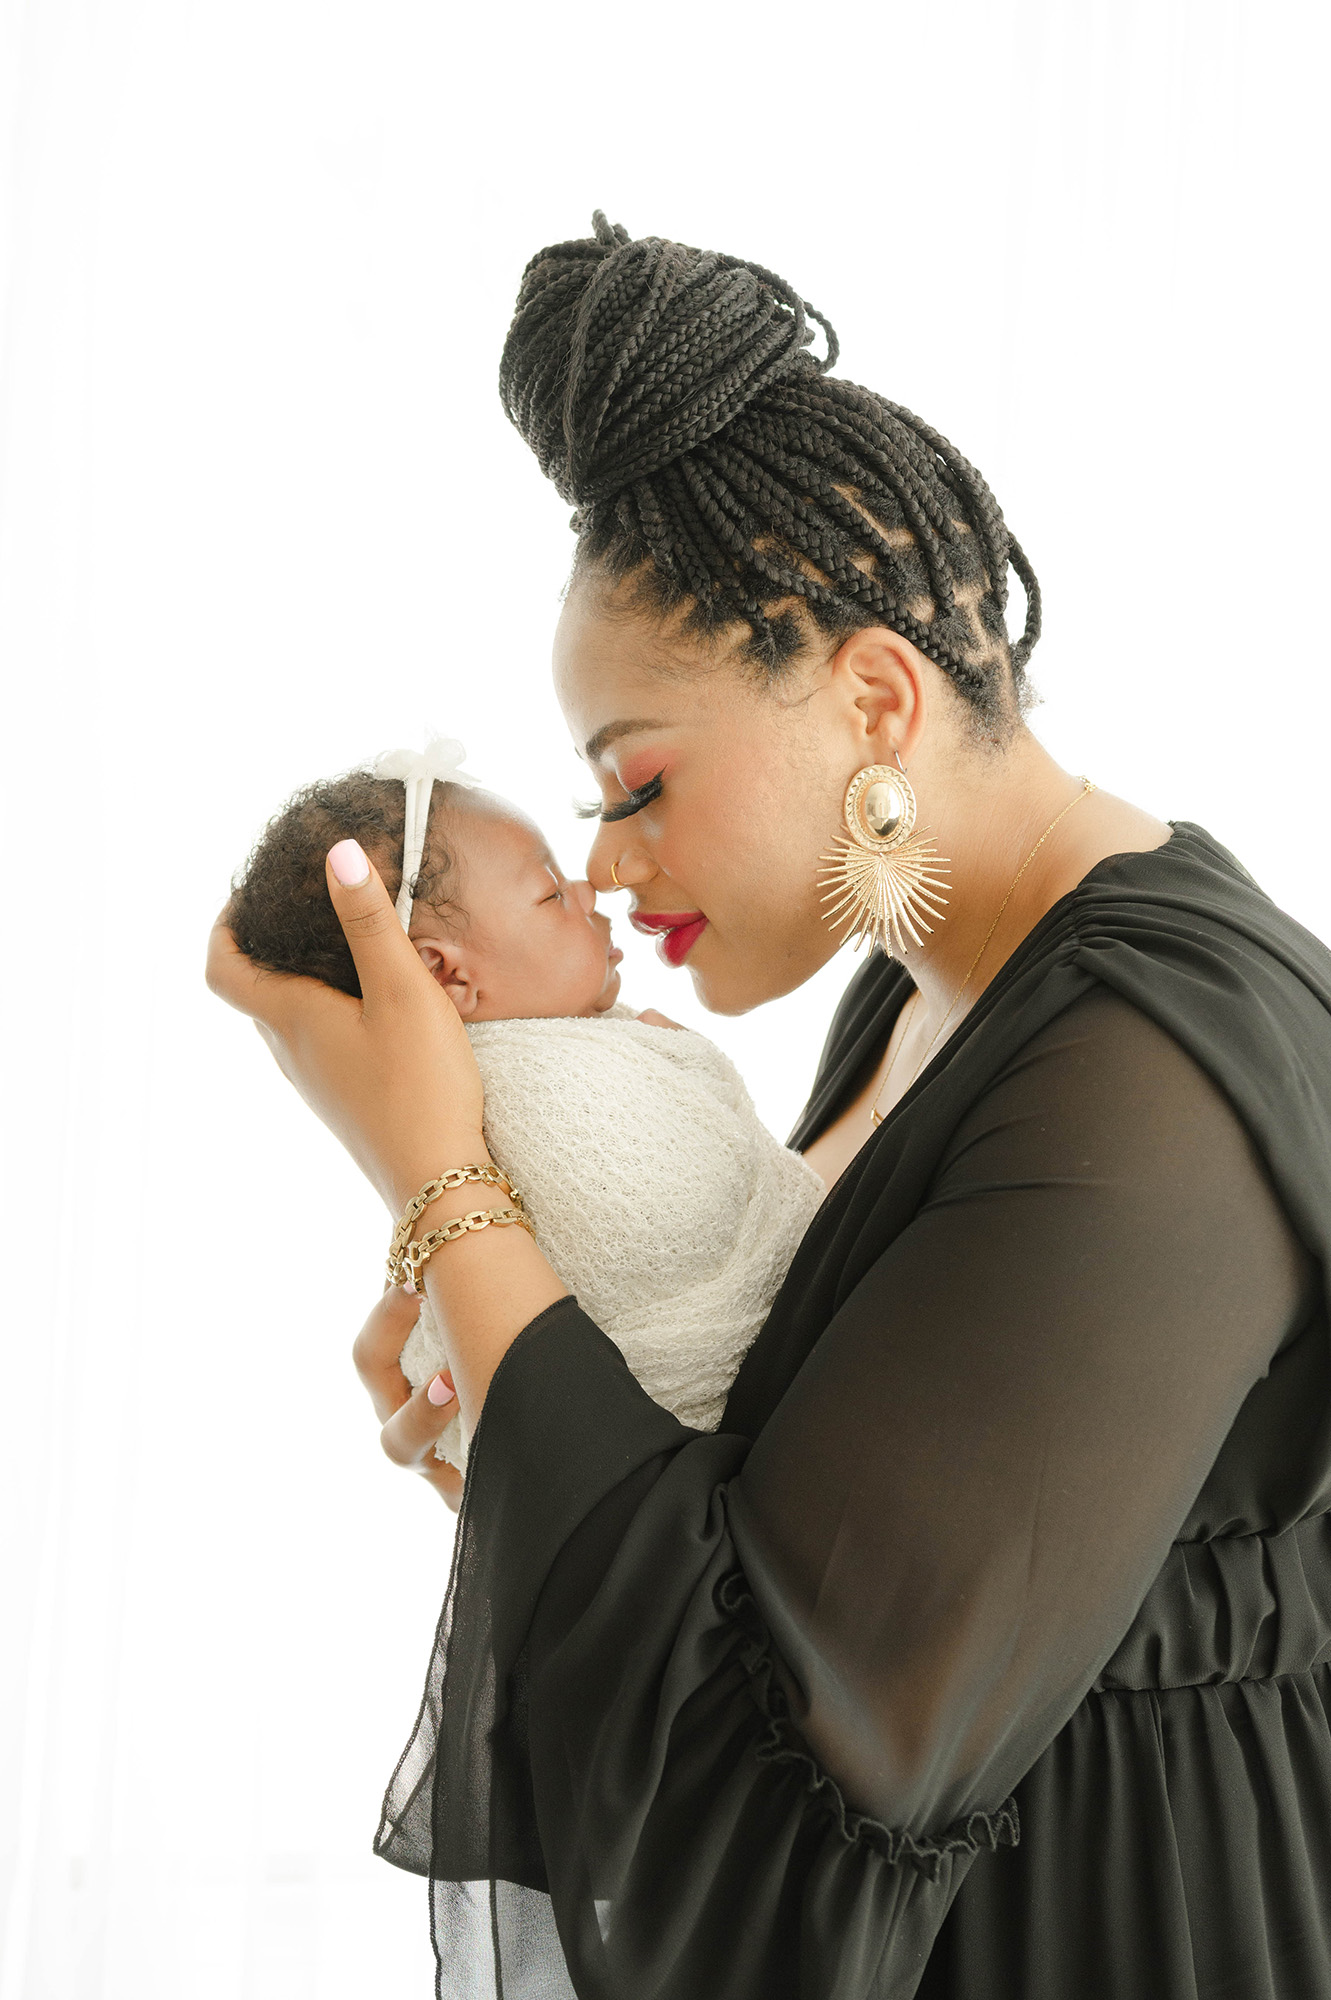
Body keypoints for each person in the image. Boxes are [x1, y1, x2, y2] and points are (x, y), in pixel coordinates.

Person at [206, 214, 1331, 1999]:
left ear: (874, 696)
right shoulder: (912, 984)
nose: (605, 863)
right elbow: (769, 1547)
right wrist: (496, 1394)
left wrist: (440, 1176)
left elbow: (773, 1775)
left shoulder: (1151, 1070)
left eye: (634, 782)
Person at [223, 737, 821, 1472]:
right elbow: (661, 1226)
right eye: (549, 892)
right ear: (446, 976)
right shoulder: (533, 1098)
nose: (590, 888)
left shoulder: (536, 1073)